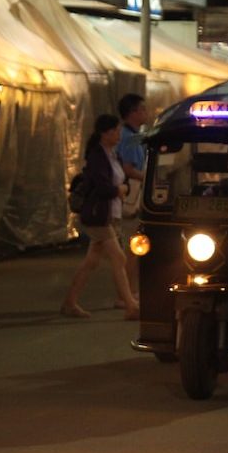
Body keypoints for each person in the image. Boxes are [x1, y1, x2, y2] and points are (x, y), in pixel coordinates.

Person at [61, 114, 140, 320]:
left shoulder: (113, 154)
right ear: (104, 133)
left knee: (92, 262)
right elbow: (103, 187)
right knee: (119, 257)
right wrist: (119, 189)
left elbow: (121, 180)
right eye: (115, 130)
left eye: (118, 130)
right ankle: (130, 305)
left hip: (110, 214)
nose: (118, 134)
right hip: (98, 215)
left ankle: (70, 303)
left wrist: (122, 188)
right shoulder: (97, 156)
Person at [116, 93, 148, 302]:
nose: (146, 112)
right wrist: (148, 177)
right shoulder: (127, 137)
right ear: (133, 113)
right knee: (131, 249)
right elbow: (128, 169)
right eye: (142, 109)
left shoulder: (135, 135)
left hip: (133, 197)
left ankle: (129, 293)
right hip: (131, 198)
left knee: (128, 250)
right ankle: (127, 294)